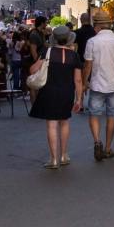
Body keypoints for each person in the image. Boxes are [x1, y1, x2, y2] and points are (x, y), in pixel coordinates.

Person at [29, 25, 86, 170]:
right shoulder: (74, 55)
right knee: (64, 122)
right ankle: (64, 155)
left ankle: (53, 159)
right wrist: (79, 99)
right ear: (68, 39)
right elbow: (78, 80)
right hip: (66, 92)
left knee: (51, 124)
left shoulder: (47, 52)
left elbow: (33, 69)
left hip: (49, 91)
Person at [84, 16, 114, 161]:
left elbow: (88, 65)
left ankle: (97, 141)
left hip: (97, 84)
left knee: (94, 114)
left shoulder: (92, 42)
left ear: (97, 26)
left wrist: (85, 81)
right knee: (111, 116)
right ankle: (108, 148)